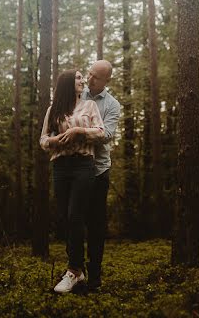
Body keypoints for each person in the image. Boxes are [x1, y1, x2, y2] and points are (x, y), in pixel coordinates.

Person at [40, 69, 106, 294]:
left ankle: (74, 270)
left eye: (82, 77)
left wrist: (79, 130)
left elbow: (101, 132)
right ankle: (77, 272)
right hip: (60, 167)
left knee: (75, 216)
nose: (83, 81)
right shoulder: (54, 110)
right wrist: (56, 139)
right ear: (68, 83)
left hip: (82, 166)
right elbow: (43, 140)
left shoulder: (90, 107)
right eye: (78, 78)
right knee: (65, 220)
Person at [80, 59, 121, 291]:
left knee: (95, 225)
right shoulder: (78, 95)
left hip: (98, 170)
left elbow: (106, 134)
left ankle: (94, 276)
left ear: (107, 80)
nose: (89, 78)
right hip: (74, 168)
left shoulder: (112, 104)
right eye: (89, 73)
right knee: (74, 220)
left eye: (95, 76)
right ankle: (75, 272)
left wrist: (78, 132)